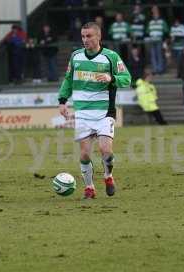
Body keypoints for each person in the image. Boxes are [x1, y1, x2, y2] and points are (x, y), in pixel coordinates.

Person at [58, 22, 131, 199]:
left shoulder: (111, 57)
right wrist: (62, 100)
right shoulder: (76, 57)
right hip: (82, 113)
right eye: (83, 36)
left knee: (106, 150)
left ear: (99, 37)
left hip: (105, 112)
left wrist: (111, 77)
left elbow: (127, 79)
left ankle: (108, 176)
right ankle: (89, 188)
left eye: (89, 36)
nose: (85, 40)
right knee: (84, 154)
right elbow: (68, 79)